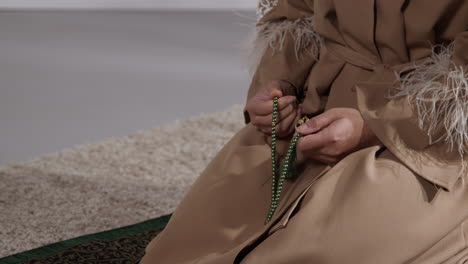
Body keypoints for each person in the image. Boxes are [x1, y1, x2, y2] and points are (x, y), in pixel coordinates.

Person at [140, 0, 468, 263]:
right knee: (182, 245)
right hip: (319, 100)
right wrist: (279, 83)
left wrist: (372, 128)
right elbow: (296, 12)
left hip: (437, 128)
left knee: (323, 248)